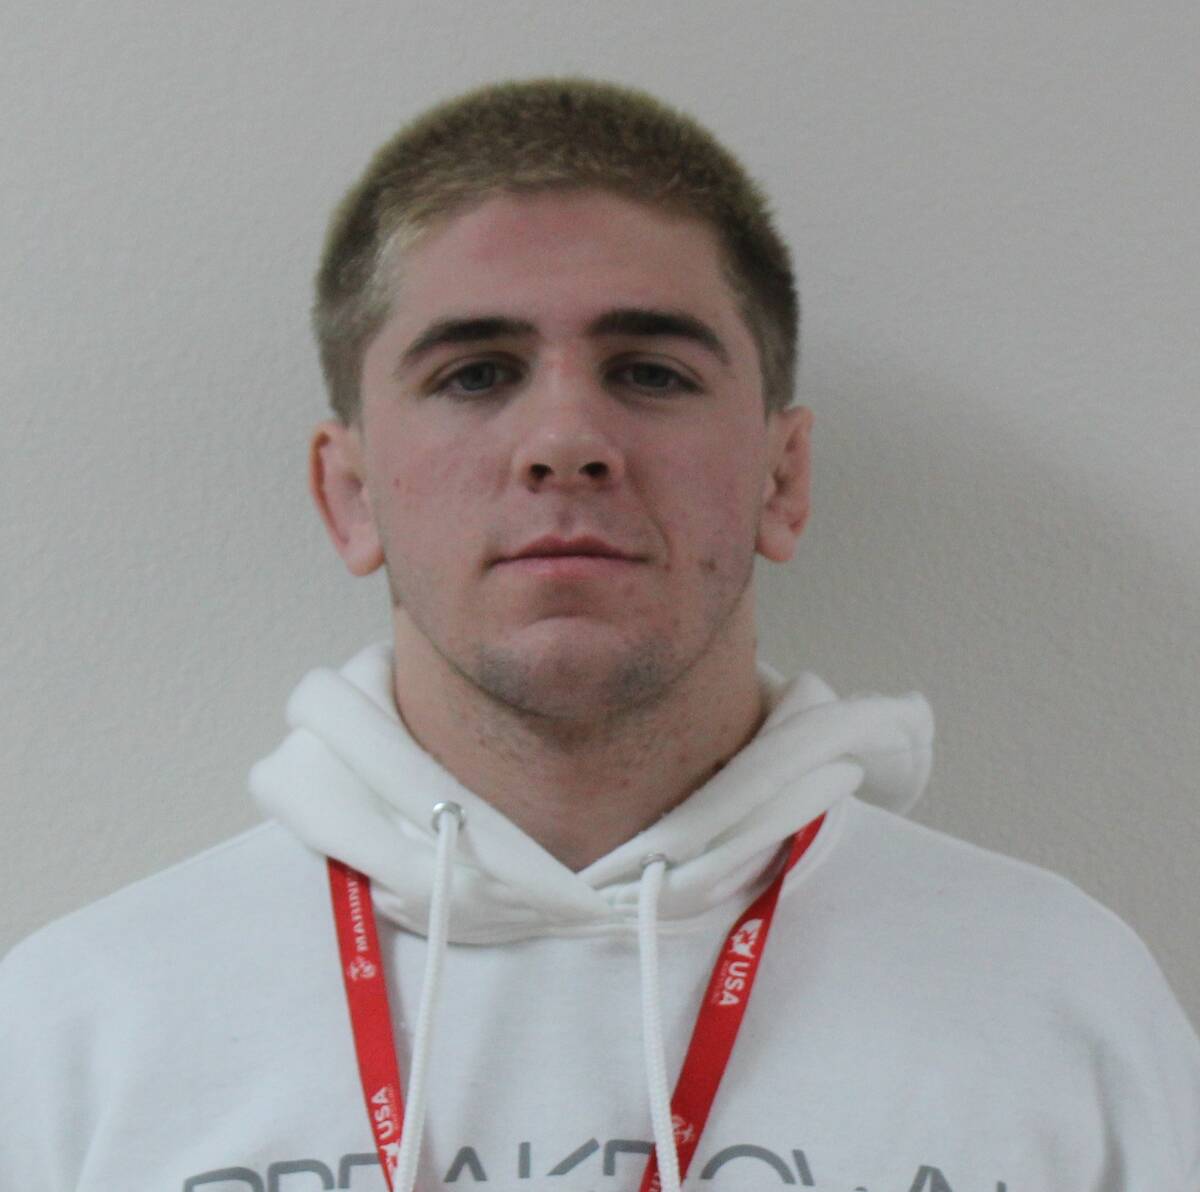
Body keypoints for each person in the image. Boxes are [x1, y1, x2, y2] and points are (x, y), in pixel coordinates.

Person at [2, 76, 1198, 1192]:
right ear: (350, 493)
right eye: (477, 374)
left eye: (651, 372)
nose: (566, 440)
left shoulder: (1059, 1002)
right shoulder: (77, 1034)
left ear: (782, 477)